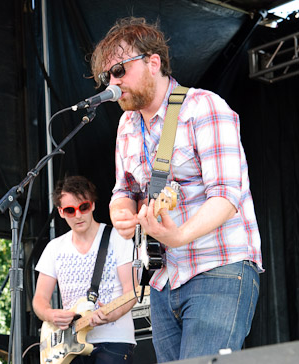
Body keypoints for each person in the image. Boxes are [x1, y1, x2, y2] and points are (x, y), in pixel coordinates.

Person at [89, 17, 264, 362]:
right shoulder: (126, 125)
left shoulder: (204, 107)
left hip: (219, 267)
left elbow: (228, 195)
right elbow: (122, 190)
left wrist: (179, 235)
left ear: (153, 63)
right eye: (106, 76)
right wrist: (121, 214)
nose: (112, 82)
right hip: (162, 279)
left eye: (120, 70)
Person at [33, 176, 137, 364]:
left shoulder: (118, 239)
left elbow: (132, 291)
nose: (78, 215)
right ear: (61, 212)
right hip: (68, 345)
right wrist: (51, 315)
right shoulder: (54, 248)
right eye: (70, 210)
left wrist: (111, 314)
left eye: (84, 207)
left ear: (93, 205)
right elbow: (40, 299)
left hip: (113, 340)